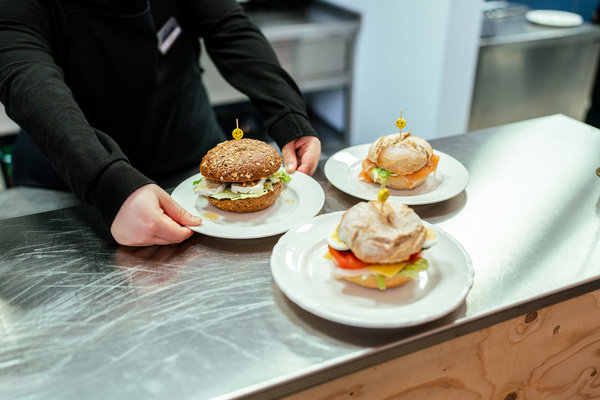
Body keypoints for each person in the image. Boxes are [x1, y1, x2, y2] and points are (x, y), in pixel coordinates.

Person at [0, 0, 321, 246]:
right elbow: (25, 75)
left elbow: (229, 27)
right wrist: (107, 182)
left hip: (187, 161)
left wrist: (288, 115)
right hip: (68, 180)